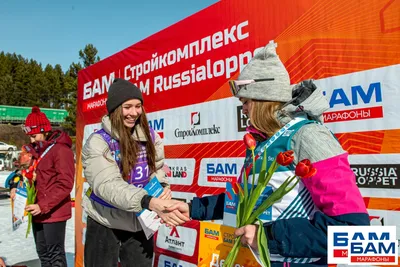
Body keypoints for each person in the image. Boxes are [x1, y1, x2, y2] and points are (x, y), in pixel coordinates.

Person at [166, 41, 370, 266]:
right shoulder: (261, 143)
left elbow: (353, 230)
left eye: (246, 102)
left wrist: (266, 236)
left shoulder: (308, 136)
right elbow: (248, 202)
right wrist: (194, 208)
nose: (242, 109)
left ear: (264, 99)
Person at [82, 78, 190, 267]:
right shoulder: (98, 142)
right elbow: (107, 185)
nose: (134, 113)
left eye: (138, 106)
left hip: (140, 221)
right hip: (105, 221)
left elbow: (157, 168)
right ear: (115, 109)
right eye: (127, 107)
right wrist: (148, 201)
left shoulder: (150, 136)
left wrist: (162, 187)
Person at [21, 106, 75, 267]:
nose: (32, 140)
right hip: (38, 211)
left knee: (55, 256)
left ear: (44, 131)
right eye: (29, 136)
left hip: (54, 212)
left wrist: (42, 205)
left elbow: (65, 183)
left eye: (34, 135)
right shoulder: (37, 151)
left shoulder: (60, 150)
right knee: (43, 254)